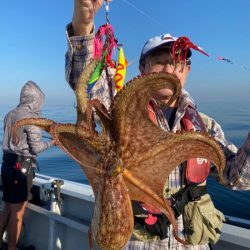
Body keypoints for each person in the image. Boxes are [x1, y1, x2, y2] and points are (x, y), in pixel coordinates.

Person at [65, 1, 250, 249]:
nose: (169, 69)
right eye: (159, 61)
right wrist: (83, 22)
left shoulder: (204, 127)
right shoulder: (122, 120)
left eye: (177, 62)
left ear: (187, 70)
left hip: (189, 242)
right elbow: (88, 86)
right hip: (136, 241)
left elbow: (237, 178)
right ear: (143, 68)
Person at [0, 81, 55, 250]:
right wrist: (53, 142)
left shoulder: (10, 114)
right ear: (36, 100)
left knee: (7, 208)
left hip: (6, 164)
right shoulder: (32, 119)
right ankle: (12, 248)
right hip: (21, 168)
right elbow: (36, 148)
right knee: (18, 212)